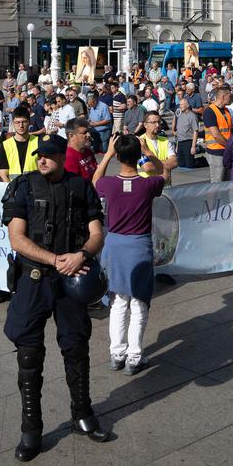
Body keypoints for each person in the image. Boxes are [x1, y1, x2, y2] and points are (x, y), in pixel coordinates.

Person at [1, 134, 110, 462]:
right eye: (39, 155)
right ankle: (31, 428)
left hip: (72, 279)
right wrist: (54, 259)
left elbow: (97, 234)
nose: (42, 160)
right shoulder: (23, 186)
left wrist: (81, 255)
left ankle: (82, 413)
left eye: (49, 155)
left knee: (77, 348)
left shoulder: (82, 187)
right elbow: (16, 238)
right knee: (29, 354)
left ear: (64, 156)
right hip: (35, 279)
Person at [95, 134, 163, 373]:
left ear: (118, 155)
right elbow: (162, 172)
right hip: (138, 246)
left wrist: (108, 155)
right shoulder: (147, 184)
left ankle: (117, 353)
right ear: (136, 155)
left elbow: (96, 180)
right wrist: (148, 152)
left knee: (117, 302)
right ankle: (134, 356)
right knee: (139, 303)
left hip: (114, 245)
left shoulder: (109, 184)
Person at [0, 107, 40, 182]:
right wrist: (11, 191)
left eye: (24, 122)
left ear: (29, 122)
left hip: (35, 190)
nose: (21, 126)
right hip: (13, 189)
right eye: (17, 122)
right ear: (13, 123)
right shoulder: (6, 145)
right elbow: (3, 174)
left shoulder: (38, 142)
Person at [202, 88, 233, 182]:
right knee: (217, 182)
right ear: (223, 97)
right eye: (229, 96)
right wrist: (230, 145)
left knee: (227, 182)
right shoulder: (209, 111)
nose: (231, 98)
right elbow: (216, 135)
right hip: (216, 152)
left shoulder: (227, 111)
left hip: (226, 151)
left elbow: (230, 130)